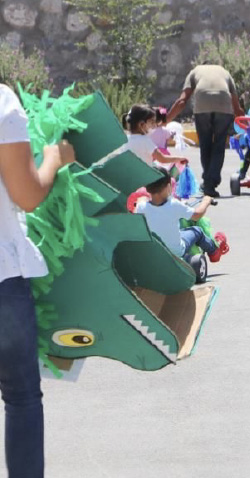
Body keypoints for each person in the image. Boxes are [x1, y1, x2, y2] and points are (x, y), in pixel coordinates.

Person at [0, 82, 77, 478]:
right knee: (21, 397)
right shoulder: (1, 102)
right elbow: (28, 195)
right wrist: (53, 158)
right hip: (2, 277)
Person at [166, 63, 246, 197]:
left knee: (205, 144)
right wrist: (245, 125)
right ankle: (210, 183)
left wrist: (166, 120)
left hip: (202, 105)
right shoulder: (225, 72)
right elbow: (237, 107)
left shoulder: (195, 71)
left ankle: (208, 182)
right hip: (223, 104)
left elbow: (182, 101)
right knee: (219, 145)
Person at [135, 167, 228, 263]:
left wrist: (141, 199)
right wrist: (206, 201)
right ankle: (214, 252)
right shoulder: (173, 204)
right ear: (168, 186)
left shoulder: (141, 207)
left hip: (153, 251)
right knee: (197, 231)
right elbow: (197, 215)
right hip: (176, 251)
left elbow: (139, 205)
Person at [123, 105, 189, 167]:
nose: (154, 126)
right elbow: (162, 159)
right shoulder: (146, 141)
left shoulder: (125, 139)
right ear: (142, 124)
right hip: (145, 177)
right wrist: (179, 159)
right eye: (152, 123)